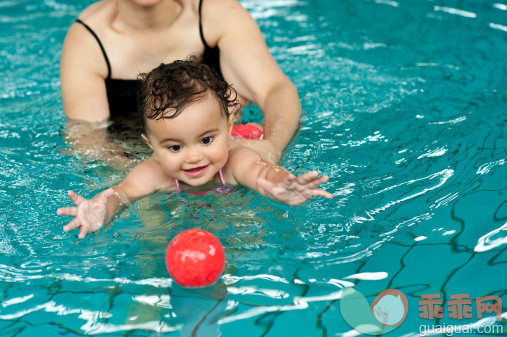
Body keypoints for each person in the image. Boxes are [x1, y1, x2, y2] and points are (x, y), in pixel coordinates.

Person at [57, 59, 331, 239]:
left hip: (243, 147)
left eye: (206, 140)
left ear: (227, 129)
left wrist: (284, 185)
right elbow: (122, 194)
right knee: (151, 236)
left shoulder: (236, 159)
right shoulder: (153, 172)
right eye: (175, 147)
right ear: (151, 145)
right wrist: (103, 210)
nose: (194, 157)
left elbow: (263, 174)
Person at [60, 0, 301, 164]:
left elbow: (276, 89)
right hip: (138, 160)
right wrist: (155, 177)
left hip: (226, 153)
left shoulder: (215, 12)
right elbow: (88, 139)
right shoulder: (88, 40)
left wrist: (272, 146)